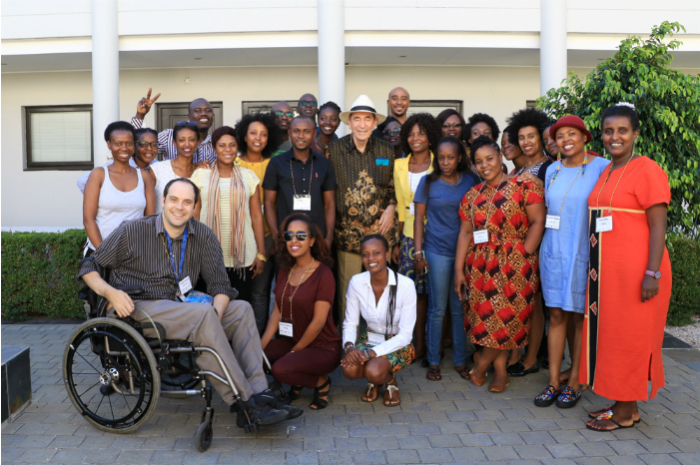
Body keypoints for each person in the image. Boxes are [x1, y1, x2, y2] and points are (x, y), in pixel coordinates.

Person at [77, 178, 301, 429]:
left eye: (187, 202)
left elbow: (221, 286)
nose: (179, 207)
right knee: (202, 316)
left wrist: (215, 317)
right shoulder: (133, 230)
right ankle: (244, 404)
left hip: (179, 306)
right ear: (163, 201)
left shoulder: (203, 235)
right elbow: (89, 265)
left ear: (195, 206)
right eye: (173, 199)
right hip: (135, 308)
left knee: (241, 310)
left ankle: (262, 394)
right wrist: (110, 293)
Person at [582, 103, 672, 432]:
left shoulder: (647, 169)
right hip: (608, 274)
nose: (615, 137)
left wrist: (652, 274)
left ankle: (624, 414)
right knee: (614, 337)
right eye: (609, 131)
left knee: (630, 339)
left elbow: (659, 225)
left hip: (639, 273)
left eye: (622, 131)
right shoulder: (607, 169)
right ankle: (624, 405)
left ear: (635, 133)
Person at [454, 136, 546, 393]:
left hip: (516, 264)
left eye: (490, 159)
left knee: (508, 318)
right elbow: (464, 233)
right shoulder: (471, 195)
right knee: (487, 318)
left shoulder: (525, 186)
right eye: (479, 162)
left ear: (501, 157)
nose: (485, 166)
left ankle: (482, 365)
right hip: (480, 267)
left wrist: (524, 253)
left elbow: (538, 221)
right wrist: (458, 270)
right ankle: (502, 372)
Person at [535, 115, 610, 409]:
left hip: (583, 254)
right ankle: (554, 381)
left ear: (584, 137)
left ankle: (576, 381)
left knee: (579, 318)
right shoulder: (551, 170)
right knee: (555, 316)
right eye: (560, 135)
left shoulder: (601, 167)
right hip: (553, 253)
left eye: (572, 134)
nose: (566, 139)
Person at [328, 95, 398, 325]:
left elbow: (392, 187)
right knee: (349, 294)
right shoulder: (334, 150)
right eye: (357, 119)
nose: (362, 124)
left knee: (378, 292)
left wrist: (391, 206)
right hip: (346, 236)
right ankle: (348, 346)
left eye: (367, 119)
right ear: (349, 123)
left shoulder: (387, 151)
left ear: (374, 122)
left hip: (379, 235)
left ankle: (377, 343)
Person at [261, 213, 341, 410]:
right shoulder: (285, 270)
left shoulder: (324, 274)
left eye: (301, 236)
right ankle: (298, 377)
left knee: (280, 370)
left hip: (323, 347)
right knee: (256, 361)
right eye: (289, 236)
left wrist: (293, 352)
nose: (294, 240)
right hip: (293, 339)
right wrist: (259, 347)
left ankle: (321, 382)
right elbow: (276, 313)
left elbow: (318, 322)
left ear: (312, 240)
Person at [414, 137, 475, 380]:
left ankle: (460, 361)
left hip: (464, 252)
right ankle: (433, 361)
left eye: (451, 157)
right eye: (441, 158)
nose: (446, 162)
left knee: (458, 307)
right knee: (437, 309)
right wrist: (419, 253)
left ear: (460, 157)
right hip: (436, 251)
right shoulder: (427, 182)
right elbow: (418, 219)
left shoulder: (470, 181)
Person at [191, 126, 267, 313]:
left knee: (239, 307)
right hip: (207, 256)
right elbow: (194, 216)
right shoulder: (201, 175)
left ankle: (237, 343)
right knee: (208, 310)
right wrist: (193, 255)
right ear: (214, 149)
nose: (227, 149)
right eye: (222, 145)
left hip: (243, 257)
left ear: (237, 147)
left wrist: (261, 253)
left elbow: (257, 215)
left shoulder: (249, 177)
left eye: (232, 145)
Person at [504, 108, 552, 377]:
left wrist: (527, 250)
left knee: (534, 303)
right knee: (523, 302)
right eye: (521, 137)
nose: (525, 142)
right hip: (518, 243)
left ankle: (531, 358)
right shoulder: (520, 168)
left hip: (536, 243)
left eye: (531, 136)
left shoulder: (548, 167)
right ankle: (519, 353)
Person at [341, 234, 417, 407]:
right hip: (370, 338)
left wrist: (369, 355)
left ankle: (388, 381)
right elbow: (350, 323)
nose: (371, 259)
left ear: (387, 255)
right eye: (366, 254)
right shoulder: (356, 282)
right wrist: (350, 347)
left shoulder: (405, 286)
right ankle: (374, 379)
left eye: (376, 253)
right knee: (349, 369)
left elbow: (405, 335)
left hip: (398, 342)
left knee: (373, 370)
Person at [392, 113, 441, 362]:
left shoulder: (439, 163)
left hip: (437, 235)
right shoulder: (400, 165)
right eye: (411, 133)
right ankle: (415, 344)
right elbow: (401, 207)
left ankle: (435, 346)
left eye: (421, 133)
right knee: (413, 296)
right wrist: (398, 241)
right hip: (410, 238)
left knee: (435, 295)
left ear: (430, 136)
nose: (415, 138)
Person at [234, 112, 283, 331]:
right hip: (238, 239)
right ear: (244, 136)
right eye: (253, 133)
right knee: (239, 293)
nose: (257, 138)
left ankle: (259, 343)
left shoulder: (275, 164)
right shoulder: (231, 162)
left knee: (261, 293)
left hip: (266, 237)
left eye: (263, 134)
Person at [263, 115, 337, 250]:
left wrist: (329, 238)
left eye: (306, 131)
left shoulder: (324, 164)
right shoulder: (276, 163)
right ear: (290, 133)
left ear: (314, 134)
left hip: (317, 240)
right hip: (287, 239)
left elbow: (329, 204)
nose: (301, 136)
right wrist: (276, 237)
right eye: (296, 131)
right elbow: (269, 203)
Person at [83, 122, 156, 253]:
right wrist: (105, 255)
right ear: (109, 144)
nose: (124, 148)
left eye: (129, 143)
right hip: (100, 251)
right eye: (118, 143)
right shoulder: (99, 174)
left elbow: (149, 222)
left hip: (134, 254)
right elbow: (88, 220)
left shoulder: (144, 177)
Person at [131, 89, 215, 164]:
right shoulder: (169, 136)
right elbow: (132, 144)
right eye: (197, 111)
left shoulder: (216, 144)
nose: (204, 113)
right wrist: (140, 115)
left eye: (208, 111)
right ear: (189, 117)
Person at [150, 122, 202, 214]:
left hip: (191, 228)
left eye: (192, 140)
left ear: (198, 143)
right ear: (175, 143)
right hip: (160, 227)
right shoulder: (157, 170)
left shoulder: (200, 174)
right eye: (182, 140)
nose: (187, 144)